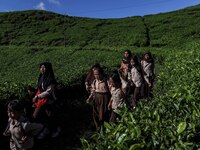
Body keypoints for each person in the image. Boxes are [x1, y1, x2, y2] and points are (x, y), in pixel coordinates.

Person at [32, 62, 60, 138]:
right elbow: (40, 88)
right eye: (41, 67)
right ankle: (46, 129)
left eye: (44, 67)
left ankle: (55, 130)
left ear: (48, 69)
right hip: (41, 100)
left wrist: (37, 97)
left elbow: (48, 92)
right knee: (42, 116)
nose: (42, 69)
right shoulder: (41, 77)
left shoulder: (51, 79)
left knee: (50, 116)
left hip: (48, 101)